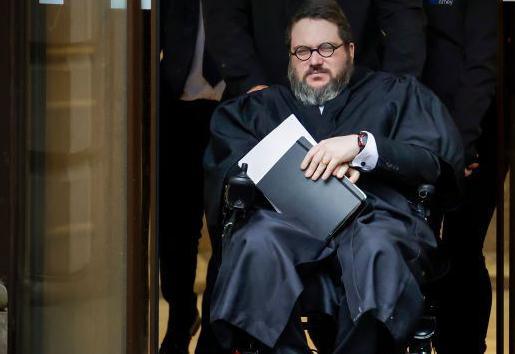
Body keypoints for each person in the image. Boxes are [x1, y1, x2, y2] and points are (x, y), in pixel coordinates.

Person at [203, 1, 464, 353]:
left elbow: (432, 162)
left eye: (327, 48)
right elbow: (229, 171)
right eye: (303, 51)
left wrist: (364, 147)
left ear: (350, 50)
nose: (315, 60)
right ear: (290, 57)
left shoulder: (395, 96)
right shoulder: (262, 109)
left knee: (378, 249)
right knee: (256, 241)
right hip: (288, 227)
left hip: (375, 220)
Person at [420, 1, 498, 353]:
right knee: (416, 247)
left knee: (464, 249)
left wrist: (462, 144)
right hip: (411, 131)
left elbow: (481, 61)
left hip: (470, 131)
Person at [158, 0, 224, 353]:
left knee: (227, 226)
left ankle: (216, 331)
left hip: (235, 108)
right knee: (175, 228)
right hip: (176, 107)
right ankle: (181, 317)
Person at [206, 0, 427, 99]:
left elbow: (404, 21)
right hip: (267, 92)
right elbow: (224, 20)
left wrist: (393, 93)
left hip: (358, 94)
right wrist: (252, 86)